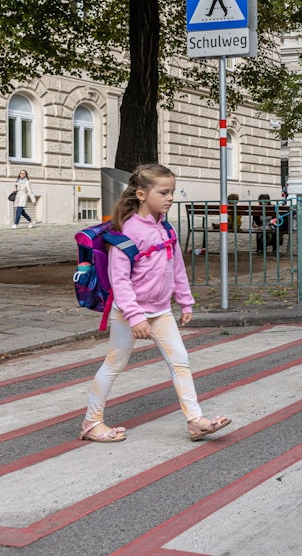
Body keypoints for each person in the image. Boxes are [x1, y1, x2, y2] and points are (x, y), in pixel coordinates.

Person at [78, 163, 231, 443]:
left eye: (172, 192)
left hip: (161, 310)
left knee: (180, 361)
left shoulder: (165, 227)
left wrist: (185, 301)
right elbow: (120, 281)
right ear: (141, 194)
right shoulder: (128, 231)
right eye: (163, 192)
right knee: (114, 364)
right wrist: (135, 316)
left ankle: (195, 421)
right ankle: (92, 423)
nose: (170, 198)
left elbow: (177, 267)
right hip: (129, 312)